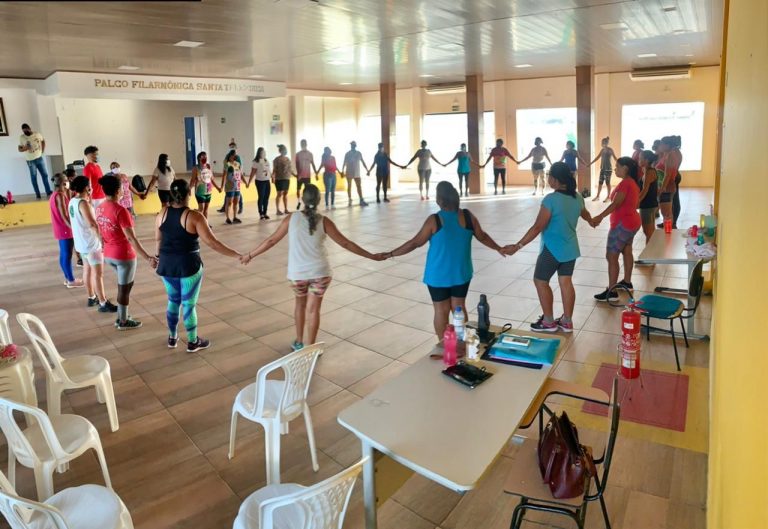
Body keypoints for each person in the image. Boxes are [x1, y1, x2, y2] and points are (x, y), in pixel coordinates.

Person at [241, 184, 383, 351]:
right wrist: (371, 256)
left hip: (297, 275)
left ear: (302, 198)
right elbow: (346, 243)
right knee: (314, 310)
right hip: (320, 273)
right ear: (319, 200)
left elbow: (271, 240)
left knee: (300, 305)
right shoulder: (325, 221)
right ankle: (311, 347)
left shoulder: (291, 218)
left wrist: (250, 255)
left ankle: (299, 342)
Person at [383, 181, 506, 339]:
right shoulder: (468, 216)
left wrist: (390, 254)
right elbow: (482, 236)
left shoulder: (435, 220)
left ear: (440, 200)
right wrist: (498, 248)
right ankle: (462, 343)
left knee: (441, 310)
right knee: (459, 307)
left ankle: (445, 345)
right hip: (461, 273)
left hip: (437, 275)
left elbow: (415, 243)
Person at [503, 162, 593, 333]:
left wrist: (518, 246)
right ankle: (567, 322)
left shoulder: (551, 200)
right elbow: (585, 213)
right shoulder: (577, 197)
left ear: (556, 179)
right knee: (566, 282)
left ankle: (549, 322)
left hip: (552, 249)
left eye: (549, 176)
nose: (548, 179)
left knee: (540, 281)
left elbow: (538, 227)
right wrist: (592, 221)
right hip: (570, 248)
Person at [155, 179, 242, 352]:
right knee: (188, 304)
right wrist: (237, 254)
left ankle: (172, 337)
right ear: (189, 193)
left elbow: (158, 239)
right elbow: (213, 243)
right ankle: (193, 341)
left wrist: (157, 257)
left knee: (173, 301)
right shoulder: (194, 216)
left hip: (166, 265)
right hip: (188, 265)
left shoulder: (162, 213)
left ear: (171, 194)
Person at [95, 175, 157, 330]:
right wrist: (148, 257)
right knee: (124, 289)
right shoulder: (121, 211)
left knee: (126, 285)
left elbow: (100, 231)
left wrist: (103, 246)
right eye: (123, 187)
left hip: (108, 254)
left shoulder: (99, 208)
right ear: (118, 191)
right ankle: (122, 321)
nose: (124, 189)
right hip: (123, 256)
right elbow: (131, 238)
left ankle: (122, 315)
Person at [590, 157, 642, 301]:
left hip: (622, 225)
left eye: (617, 166)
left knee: (611, 256)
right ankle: (627, 282)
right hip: (632, 222)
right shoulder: (632, 183)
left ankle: (612, 292)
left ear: (625, 168)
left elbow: (616, 204)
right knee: (627, 251)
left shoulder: (626, 183)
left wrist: (600, 216)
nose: (615, 169)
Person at [68, 176, 117, 313]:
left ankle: (91, 297)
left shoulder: (72, 201)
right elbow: (92, 224)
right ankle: (103, 302)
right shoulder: (83, 203)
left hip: (81, 243)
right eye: (89, 185)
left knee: (87, 270)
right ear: (86, 188)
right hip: (91, 244)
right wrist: (102, 240)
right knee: (98, 274)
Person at [49, 173, 83, 289]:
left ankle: (68, 278)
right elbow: (64, 216)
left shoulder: (55, 195)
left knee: (64, 254)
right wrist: (74, 228)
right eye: (67, 181)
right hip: (65, 229)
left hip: (60, 228)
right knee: (67, 254)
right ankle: (71, 280)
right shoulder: (59, 196)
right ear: (63, 183)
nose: (69, 182)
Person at [18, 123, 52, 199]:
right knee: (34, 177)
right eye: (24, 131)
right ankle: (37, 194)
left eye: (26, 130)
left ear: (29, 128)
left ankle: (48, 191)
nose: (25, 132)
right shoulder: (22, 137)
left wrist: (42, 150)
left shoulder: (37, 134)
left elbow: (43, 141)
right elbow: (19, 149)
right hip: (30, 161)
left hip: (39, 158)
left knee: (45, 175)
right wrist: (25, 148)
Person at [657, 135, 683, 228]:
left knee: (668, 211)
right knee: (667, 210)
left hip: (667, 185)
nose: (660, 146)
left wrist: (662, 188)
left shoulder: (671, 155)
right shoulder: (667, 154)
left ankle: (670, 228)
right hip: (665, 184)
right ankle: (668, 226)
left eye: (662, 144)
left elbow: (668, 174)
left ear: (668, 145)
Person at [217, 139, 244, 215]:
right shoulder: (227, 155)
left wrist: (240, 177)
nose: (232, 147)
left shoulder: (237, 157)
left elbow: (239, 167)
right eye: (231, 146)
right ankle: (224, 207)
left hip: (236, 178)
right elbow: (225, 164)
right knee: (228, 194)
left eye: (233, 146)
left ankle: (241, 207)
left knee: (237, 194)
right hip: (229, 178)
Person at [637, 150, 659, 243]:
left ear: (646, 160)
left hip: (647, 205)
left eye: (640, 158)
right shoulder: (647, 170)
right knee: (650, 232)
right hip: (649, 204)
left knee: (648, 232)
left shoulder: (649, 172)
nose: (638, 160)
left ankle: (650, 251)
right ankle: (652, 251)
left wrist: (635, 202)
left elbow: (644, 190)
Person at [589, 137, 617, 202]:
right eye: (602, 142)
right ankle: (597, 196)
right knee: (600, 182)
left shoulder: (610, 150)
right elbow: (597, 158)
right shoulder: (602, 150)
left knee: (607, 183)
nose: (603, 143)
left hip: (608, 169)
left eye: (604, 142)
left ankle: (608, 197)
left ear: (607, 143)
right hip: (602, 169)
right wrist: (590, 164)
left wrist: (620, 165)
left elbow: (615, 158)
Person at [341, 141, 369, 206]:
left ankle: (361, 200)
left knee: (359, 186)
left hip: (357, 173)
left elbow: (363, 162)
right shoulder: (347, 154)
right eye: (351, 145)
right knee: (349, 186)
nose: (352, 146)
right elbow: (344, 163)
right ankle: (350, 199)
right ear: (350, 146)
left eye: (353, 145)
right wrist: (342, 171)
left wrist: (367, 169)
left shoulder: (359, 153)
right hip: (349, 172)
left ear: (355, 146)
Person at [219, 150, 244, 224]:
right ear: (230, 156)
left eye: (235, 155)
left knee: (236, 202)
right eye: (233, 155)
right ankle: (227, 218)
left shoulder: (237, 164)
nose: (234, 156)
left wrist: (245, 182)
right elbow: (224, 175)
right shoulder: (227, 164)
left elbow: (240, 174)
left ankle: (235, 217)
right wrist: (221, 186)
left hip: (237, 186)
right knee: (229, 202)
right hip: (230, 186)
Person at [247, 147, 271, 220]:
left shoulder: (266, 160)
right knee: (261, 197)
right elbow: (253, 172)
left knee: (266, 197)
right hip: (260, 181)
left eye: (264, 152)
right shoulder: (256, 162)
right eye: (262, 152)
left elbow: (269, 170)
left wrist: (272, 177)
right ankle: (261, 213)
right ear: (259, 153)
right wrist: (249, 182)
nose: (264, 153)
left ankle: (265, 212)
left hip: (267, 181)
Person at [190, 152, 214, 220]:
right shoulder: (196, 168)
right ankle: (198, 222)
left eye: (206, 157)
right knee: (201, 209)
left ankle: (205, 223)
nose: (205, 158)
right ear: (199, 158)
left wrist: (210, 170)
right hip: (200, 191)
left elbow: (212, 178)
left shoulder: (208, 166)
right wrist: (189, 189)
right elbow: (193, 180)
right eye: (203, 157)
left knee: (206, 209)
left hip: (208, 190)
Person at [295, 139, 319, 210]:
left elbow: (313, 164)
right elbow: (297, 165)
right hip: (300, 175)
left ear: (306, 144)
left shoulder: (310, 154)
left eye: (304, 143)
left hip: (307, 175)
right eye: (302, 144)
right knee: (298, 189)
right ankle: (299, 201)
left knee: (307, 190)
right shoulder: (298, 154)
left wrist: (316, 173)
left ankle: (307, 203)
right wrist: (298, 174)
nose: (303, 145)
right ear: (300, 145)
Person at [272, 144, 293, 215]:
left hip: (286, 178)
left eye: (285, 150)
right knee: (279, 194)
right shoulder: (276, 159)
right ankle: (277, 210)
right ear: (280, 151)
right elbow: (274, 169)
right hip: (279, 179)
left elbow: (290, 169)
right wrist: (273, 176)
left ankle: (286, 209)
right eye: (284, 150)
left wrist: (295, 175)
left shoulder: (288, 159)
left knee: (285, 193)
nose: (285, 151)